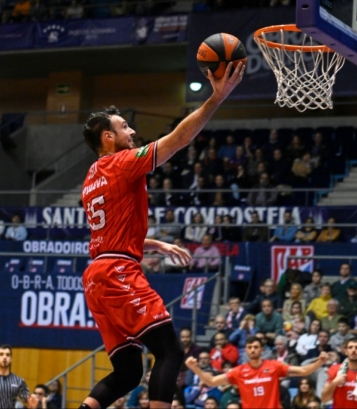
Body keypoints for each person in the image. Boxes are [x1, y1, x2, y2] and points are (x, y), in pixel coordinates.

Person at [78, 62, 245, 409]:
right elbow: (179, 139)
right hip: (118, 272)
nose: (133, 132)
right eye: (125, 127)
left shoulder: (91, 177)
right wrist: (217, 98)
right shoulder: (120, 162)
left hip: (96, 276)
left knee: (127, 372)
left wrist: (153, 243)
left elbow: (109, 234)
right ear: (107, 137)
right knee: (170, 351)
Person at [184, 336, 330, 409]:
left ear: (261, 349)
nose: (253, 350)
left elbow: (303, 370)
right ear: (246, 350)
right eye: (249, 347)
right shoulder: (239, 371)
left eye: (256, 347)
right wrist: (195, 368)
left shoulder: (274, 366)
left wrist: (320, 362)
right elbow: (212, 382)